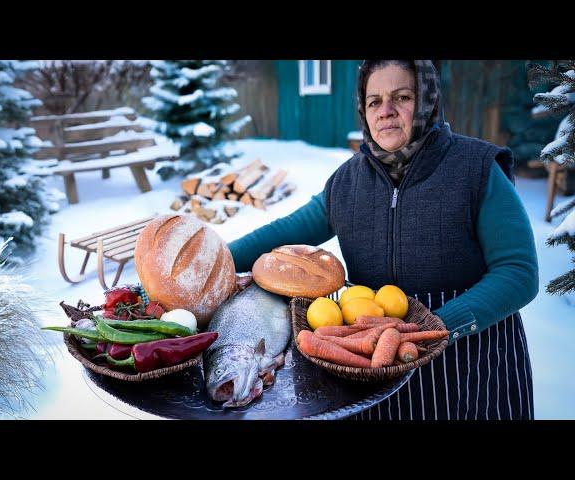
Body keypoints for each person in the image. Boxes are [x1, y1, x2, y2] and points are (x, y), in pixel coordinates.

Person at [227, 60, 539, 420]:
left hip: (472, 367)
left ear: (426, 101)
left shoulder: (477, 168)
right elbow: (284, 232)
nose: (386, 111)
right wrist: (219, 259)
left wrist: (436, 327)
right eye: (374, 101)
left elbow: (518, 273)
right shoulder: (347, 182)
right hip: (376, 367)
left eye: (401, 97)